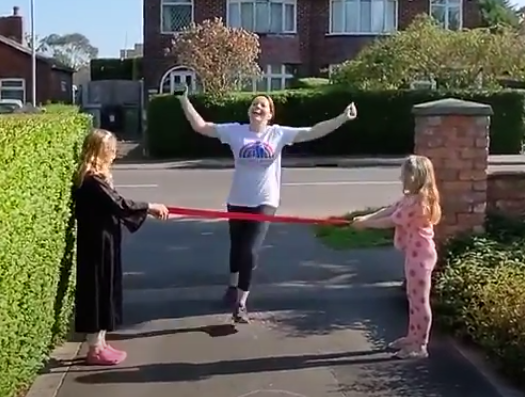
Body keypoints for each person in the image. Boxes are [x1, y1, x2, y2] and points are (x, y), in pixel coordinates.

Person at [178, 88, 357, 323]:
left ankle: (241, 303)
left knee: (250, 251)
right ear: (249, 110)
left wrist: (342, 118)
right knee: (237, 246)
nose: (258, 107)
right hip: (238, 199)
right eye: (254, 103)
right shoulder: (234, 131)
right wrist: (184, 100)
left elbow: (313, 131)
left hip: (265, 201)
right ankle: (232, 287)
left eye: (263, 105)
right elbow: (201, 126)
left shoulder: (278, 134)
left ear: (270, 114)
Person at [72, 128, 169, 365]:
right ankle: (94, 348)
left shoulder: (96, 178)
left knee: (106, 289)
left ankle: (101, 343)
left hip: (103, 240)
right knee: (97, 291)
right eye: (110, 151)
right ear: (99, 152)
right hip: (96, 243)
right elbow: (119, 204)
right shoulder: (92, 180)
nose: (114, 155)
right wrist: (150, 206)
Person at [351, 155, 440, 359]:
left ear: (415, 176)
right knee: (412, 297)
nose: (401, 178)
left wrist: (365, 225)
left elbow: (391, 220)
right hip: (414, 253)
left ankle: (420, 346)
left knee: (420, 301)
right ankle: (412, 337)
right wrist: (365, 218)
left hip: (422, 257)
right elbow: (390, 209)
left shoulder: (419, 203)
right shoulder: (410, 197)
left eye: (405, 174)